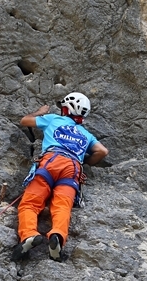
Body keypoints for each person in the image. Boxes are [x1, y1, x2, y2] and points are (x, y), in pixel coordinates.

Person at [13, 91, 109, 262]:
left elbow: (24, 121)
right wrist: (87, 161)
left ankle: (29, 235)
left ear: (67, 108)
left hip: (51, 161)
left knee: (30, 203)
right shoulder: (86, 134)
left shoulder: (54, 119)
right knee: (62, 207)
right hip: (73, 168)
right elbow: (102, 151)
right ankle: (57, 235)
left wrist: (39, 112)